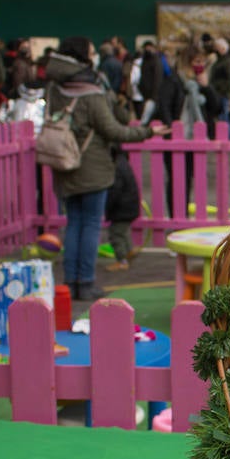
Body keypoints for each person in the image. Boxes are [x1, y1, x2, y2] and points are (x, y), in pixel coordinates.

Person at [43, 36, 168, 301]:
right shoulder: (90, 91)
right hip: (92, 167)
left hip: (64, 162)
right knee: (90, 225)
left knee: (73, 222)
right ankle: (85, 281)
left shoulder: (54, 88)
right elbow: (113, 129)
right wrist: (147, 131)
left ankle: (71, 282)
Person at [104, 143, 141, 272]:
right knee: (123, 232)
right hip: (129, 206)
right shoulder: (123, 162)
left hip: (122, 208)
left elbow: (115, 190)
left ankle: (122, 260)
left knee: (115, 235)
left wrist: (107, 207)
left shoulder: (116, 167)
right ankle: (129, 251)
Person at [208, 37, 230, 126]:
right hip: (219, 92)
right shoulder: (220, 60)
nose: (215, 50)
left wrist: (220, 88)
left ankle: (228, 135)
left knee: (223, 117)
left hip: (222, 93)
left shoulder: (228, 61)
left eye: (217, 48)